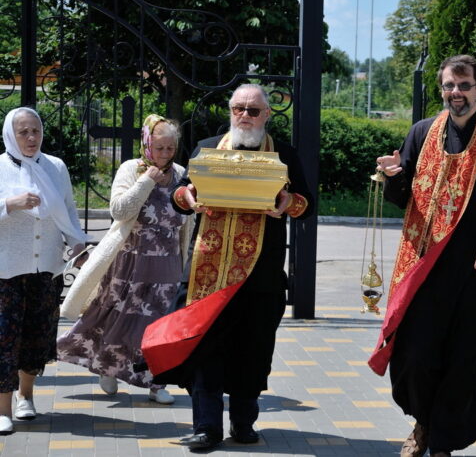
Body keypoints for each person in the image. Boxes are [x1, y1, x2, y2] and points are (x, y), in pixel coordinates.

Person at [369, 55, 476, 456]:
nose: (455, 94)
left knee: (463, 360)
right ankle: (423, 423)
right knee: (417, 356)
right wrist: (392, 176)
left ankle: (439, 441)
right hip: (425, 268)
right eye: (448, 86)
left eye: (463, 86)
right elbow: (403, 198)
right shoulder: (422, 132)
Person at [142, 84, 313, 452]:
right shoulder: (206, 146)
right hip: (209, 271)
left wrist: (287, 203)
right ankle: (206, 427)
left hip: (260, 277)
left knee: (252, 350)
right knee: (206, 350)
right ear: (230, 111)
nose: (245, 116)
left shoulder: (284, 154)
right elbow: (183, 194)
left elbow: (306, 203)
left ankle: (244, 423)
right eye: (239, 109)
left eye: (253, 111)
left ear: (267, 115)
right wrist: (185, 197)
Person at [57, 114, 194, 405]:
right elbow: (119, 210)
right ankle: (106, 366)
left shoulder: (181, 173)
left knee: (159, 325)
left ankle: (157, 384)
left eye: (170, 148)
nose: (165, 155)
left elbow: (187, 218)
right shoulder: (132, 169)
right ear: (147, 144)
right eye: (160, 148)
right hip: (130, 262)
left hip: (167, 263)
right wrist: (146, 181)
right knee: (116, 318)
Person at [0, 107, 88, 434]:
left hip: (46, 269)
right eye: (23, 132)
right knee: (4, 339)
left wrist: (79, 249)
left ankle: (26, 396)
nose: (31, 138)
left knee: (37, 336)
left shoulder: (55, 167)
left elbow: (67, 212)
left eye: (35, 130)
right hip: (6, 270)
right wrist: (11, 204)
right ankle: (3, 408)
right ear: (11, 133)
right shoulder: (0, 167)